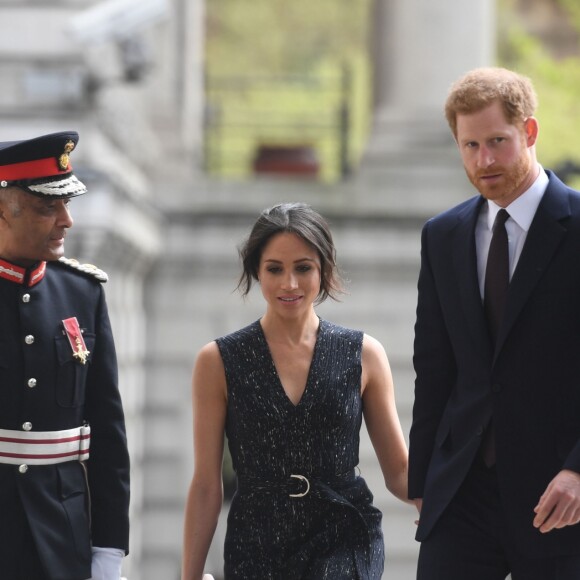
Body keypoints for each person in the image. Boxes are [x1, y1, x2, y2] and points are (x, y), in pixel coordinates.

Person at [409, 66, 580, 580]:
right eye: (470, 145)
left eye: (498, 142)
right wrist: (423, 482)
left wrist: (578, 469)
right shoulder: (442, 236)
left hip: (558, 494)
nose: (484, 160)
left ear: (529, 132)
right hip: (461, 491)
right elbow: (434, 367)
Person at [181, 202, 411, 579]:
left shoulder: (365, 354)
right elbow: (206, 484)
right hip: (255, 545)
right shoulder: (217, 361)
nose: (289, 283)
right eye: (275, 269)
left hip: (344, 536)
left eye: (303, 268)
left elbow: (400, 471)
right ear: (256, 271)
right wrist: (189, 576)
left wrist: (439, 503)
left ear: (324, 270)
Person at [0, 131, 130, 580]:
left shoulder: (82, 292)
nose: (66, 221)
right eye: (46, 207)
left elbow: (109, 435)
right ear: (2, 209)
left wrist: (108, 552)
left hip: (62, 537)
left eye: (66, 204)